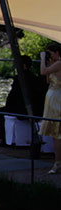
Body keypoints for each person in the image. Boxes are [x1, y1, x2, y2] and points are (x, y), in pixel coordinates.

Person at [0, 56, 46, 146]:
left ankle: (4, 138)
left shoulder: (20, 79)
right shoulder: (34, 77)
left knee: (0, 111)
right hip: (34, 107)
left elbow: (13, 97)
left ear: (23, 66)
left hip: (24, 108)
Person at [39, 43, 61, 173]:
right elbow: (48, 79)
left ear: (57, 52)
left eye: (51, 53)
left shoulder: (59, 63)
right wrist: (47, 62)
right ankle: (57, 161)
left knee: (57, 133)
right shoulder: (55, 64)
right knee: (55, 133)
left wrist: (42, 59)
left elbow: (43, 72)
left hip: (57, 99)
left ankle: (57, 162)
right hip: (51, 97)